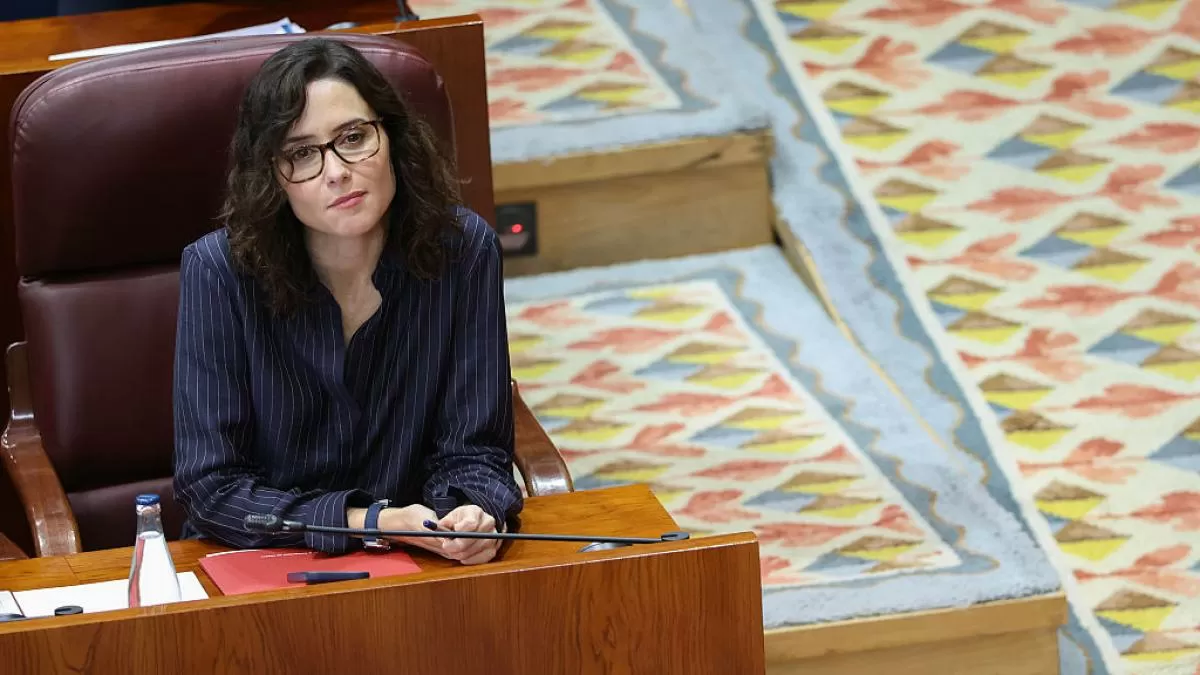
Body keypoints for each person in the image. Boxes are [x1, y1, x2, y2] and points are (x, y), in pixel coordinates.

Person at [173, 37, 521, 566]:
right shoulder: (219, 271)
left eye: (353, 138)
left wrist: (471, 513)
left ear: (393, 138)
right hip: (266, 565)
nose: (336, 171)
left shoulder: (463, 251)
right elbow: (212, 489)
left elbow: (476, 449)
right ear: (272, 175)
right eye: (301, 154)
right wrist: (371, 522)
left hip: (420, 561)